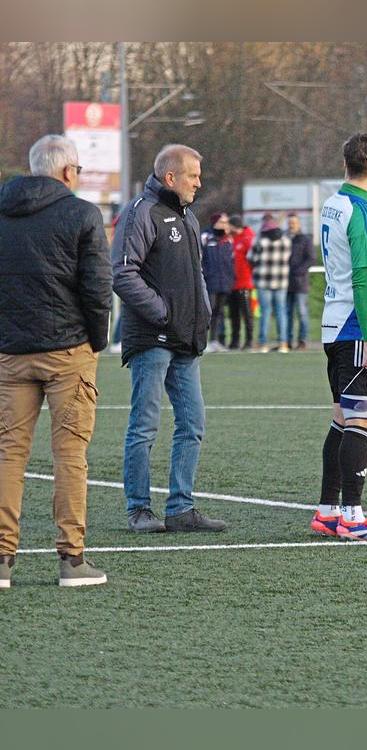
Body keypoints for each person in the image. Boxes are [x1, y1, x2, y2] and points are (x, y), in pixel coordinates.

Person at [0, 134, 112, 587]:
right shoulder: (82, 213)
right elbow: (97, 288)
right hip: (68, 351)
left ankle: (2, 561)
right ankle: (71, 559)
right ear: (68, 171)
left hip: (10, 352)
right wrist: (96, 340)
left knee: (8, 454)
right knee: (70, 455)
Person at [112, 143, 226, 533]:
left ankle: (181, 508)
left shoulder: (188, 218)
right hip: (153, 338)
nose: (199, 182)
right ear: (171, 177)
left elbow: (196, 275)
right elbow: (123, 274)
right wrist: (163, 312)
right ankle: (139, 509)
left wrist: (201, 313)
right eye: (193, 175)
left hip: (185, 339)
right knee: (145, 424)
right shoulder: (141, 212)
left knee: (193, 422)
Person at [309, 132, 367, 542]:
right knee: (361, 420)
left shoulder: (331, 204)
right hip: (352, 330)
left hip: (334, 324)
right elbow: (363, 279)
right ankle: (352, 516)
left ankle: (328, 511)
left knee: (341, 419)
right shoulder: (363, 213)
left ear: (345, 163)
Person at [248, 213, 292, 353]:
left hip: (263, 281)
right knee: (281, 312)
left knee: (265, 312)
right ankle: (283, 343)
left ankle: (263, 343)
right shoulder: (286, 241)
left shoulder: (259, 241)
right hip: (281, 281)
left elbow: (251, 258)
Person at [200, 211, 234, 352]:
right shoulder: (205, 237)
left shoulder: (229, 239)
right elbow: (199, 259)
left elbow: (231, 261)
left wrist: (231, 278)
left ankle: (215, 340)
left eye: (226, 222)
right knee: (208, 311)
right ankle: (203, 341)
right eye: (222, 222)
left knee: (220, 312)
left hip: (224, 282)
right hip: (209, 282)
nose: (225, 225)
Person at [285, 213, 314, 350]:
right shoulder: (284, 238)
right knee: (288, 313)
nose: (292, 225)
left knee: (302, 313)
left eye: (294, 223)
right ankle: (288, 340)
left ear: (299, 224)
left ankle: (302, 340)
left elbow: (311, 258)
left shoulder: (305, 239)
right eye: (290, 223)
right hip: (285, 282)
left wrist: (298, 271)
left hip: (300, 282)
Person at [227, 214, 255, 350]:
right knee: (234, 314)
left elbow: (253, 260)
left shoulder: (248, 239)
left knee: (246, 314)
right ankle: (235, 340)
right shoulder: (233, 238)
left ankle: (249, 340)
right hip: (232, 283)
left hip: (244, 283)